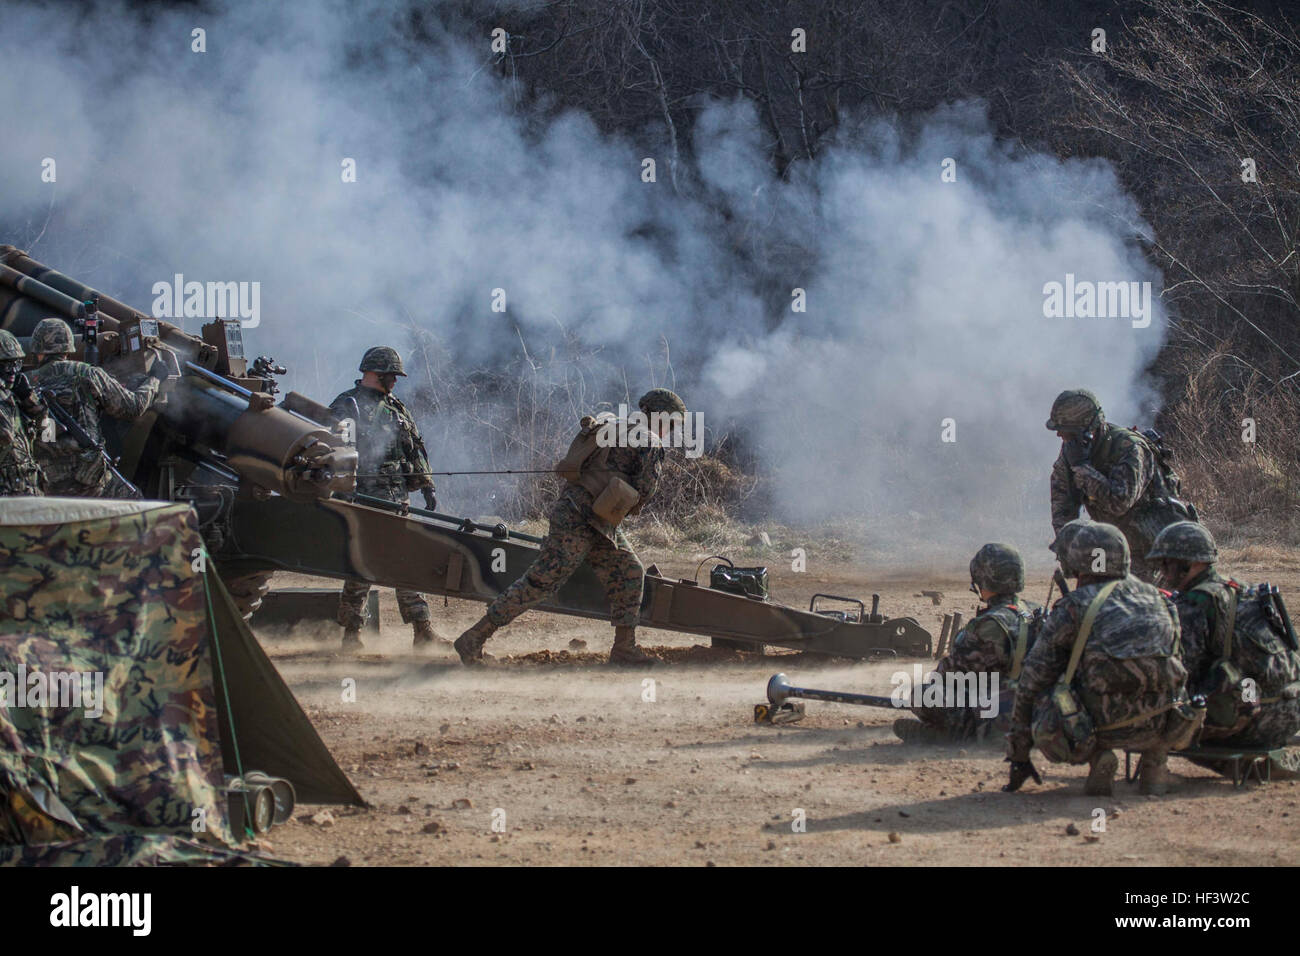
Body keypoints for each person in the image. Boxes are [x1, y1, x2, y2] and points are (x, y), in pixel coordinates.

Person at [454, 388, 686, 667]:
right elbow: (645, 489)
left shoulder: (614, 425)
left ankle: (625, 648)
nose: (671, 431)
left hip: (586, 516)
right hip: (581, 519)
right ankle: (474, 638)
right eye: (671, 424)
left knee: (630, 570)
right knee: (540, 582)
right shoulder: (649, 442)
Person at [1005, 522, 1190, 796]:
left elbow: (1032, 679)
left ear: (1078, 561)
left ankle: (1097, 756)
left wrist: (1019, 754)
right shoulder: (1162, 601)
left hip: (1101, 728)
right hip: (1165, 723)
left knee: (1052, 691)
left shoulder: (1075, 605)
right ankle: (1155, 761)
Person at [1149, 521, 1300, 779]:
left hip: (1256, 720)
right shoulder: (1243, 589)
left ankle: (1250, 767)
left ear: (1190, 563)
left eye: (1168, 563)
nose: (1163, 571)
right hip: (1291, 709)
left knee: (1172, 717)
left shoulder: (1196, 603)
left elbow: (1182, 673)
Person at [330, 346, 441, 651]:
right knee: (363, 564)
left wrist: (427, 484)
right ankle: (352, 633)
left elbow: (414, 447)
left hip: (397, 496)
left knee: (401, 559)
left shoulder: (396, 407)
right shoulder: (346, 407)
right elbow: (332, 449)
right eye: (390, 376)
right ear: (374, 373)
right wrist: (343, 492)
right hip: (363, 496)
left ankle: (422, 630)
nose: (394, 381)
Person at [894, 543, 1040, 744]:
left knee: (923, 694)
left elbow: (947, 674)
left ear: (983, 579)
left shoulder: (989, 624)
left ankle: (954, 735)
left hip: (998, 715)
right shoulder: (1036, 612)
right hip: (1037, 711)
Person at [1046, 388, 1196, 581]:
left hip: (1153, 547)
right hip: (1113, 545)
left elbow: (1119, 503)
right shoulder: (1074, 451)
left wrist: (1082, 468)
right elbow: (1062, 504)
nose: (1059, 434)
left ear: (1088, 429)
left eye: (1066, 430)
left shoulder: (1129, 448)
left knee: (1139, 604)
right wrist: (1069, 548)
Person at [28, 317, 162, 498]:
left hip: (45, 482)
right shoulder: (87, 373)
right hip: (88, 480)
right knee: (136, 501)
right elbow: (133, 407)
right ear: (68, 347)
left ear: (37, 350)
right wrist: (155, 379)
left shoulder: (26, 383)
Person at [0, 329, 46, 496]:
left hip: (25, 491)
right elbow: (5, 435)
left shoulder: (14, 398)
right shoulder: (5, 400)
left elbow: (49, 435)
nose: (13, 371)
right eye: (6, 365)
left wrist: (30, 400)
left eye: (17, 364)